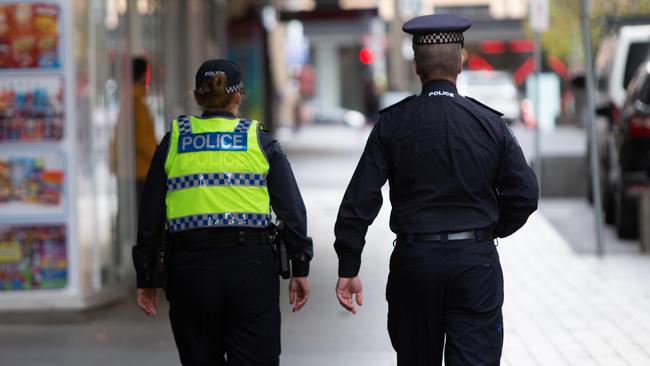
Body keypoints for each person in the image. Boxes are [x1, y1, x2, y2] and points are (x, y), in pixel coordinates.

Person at [333, 14, 539, 366]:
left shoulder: (392, 124)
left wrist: (349, 264)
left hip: (415, 264)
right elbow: (525, 194)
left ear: (416, 66)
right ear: (460, 63)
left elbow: (360, 199)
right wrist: (491, 229)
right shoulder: (490, 124)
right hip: (475, 264)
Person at [133, 59, 313, 366]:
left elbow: (150, 215)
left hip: (190, 271)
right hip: (251, 268)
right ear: (238, 96)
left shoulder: (174, 140)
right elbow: (292, 210)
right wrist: (300, 266)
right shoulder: (259, 139)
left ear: (198, 97)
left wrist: (145, 276)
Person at [132, 57, 158, 208]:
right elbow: (143, 137)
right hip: (140, 169)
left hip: (136, 167)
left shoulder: (133, 97)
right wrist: (159, 157)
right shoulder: (137, 100)